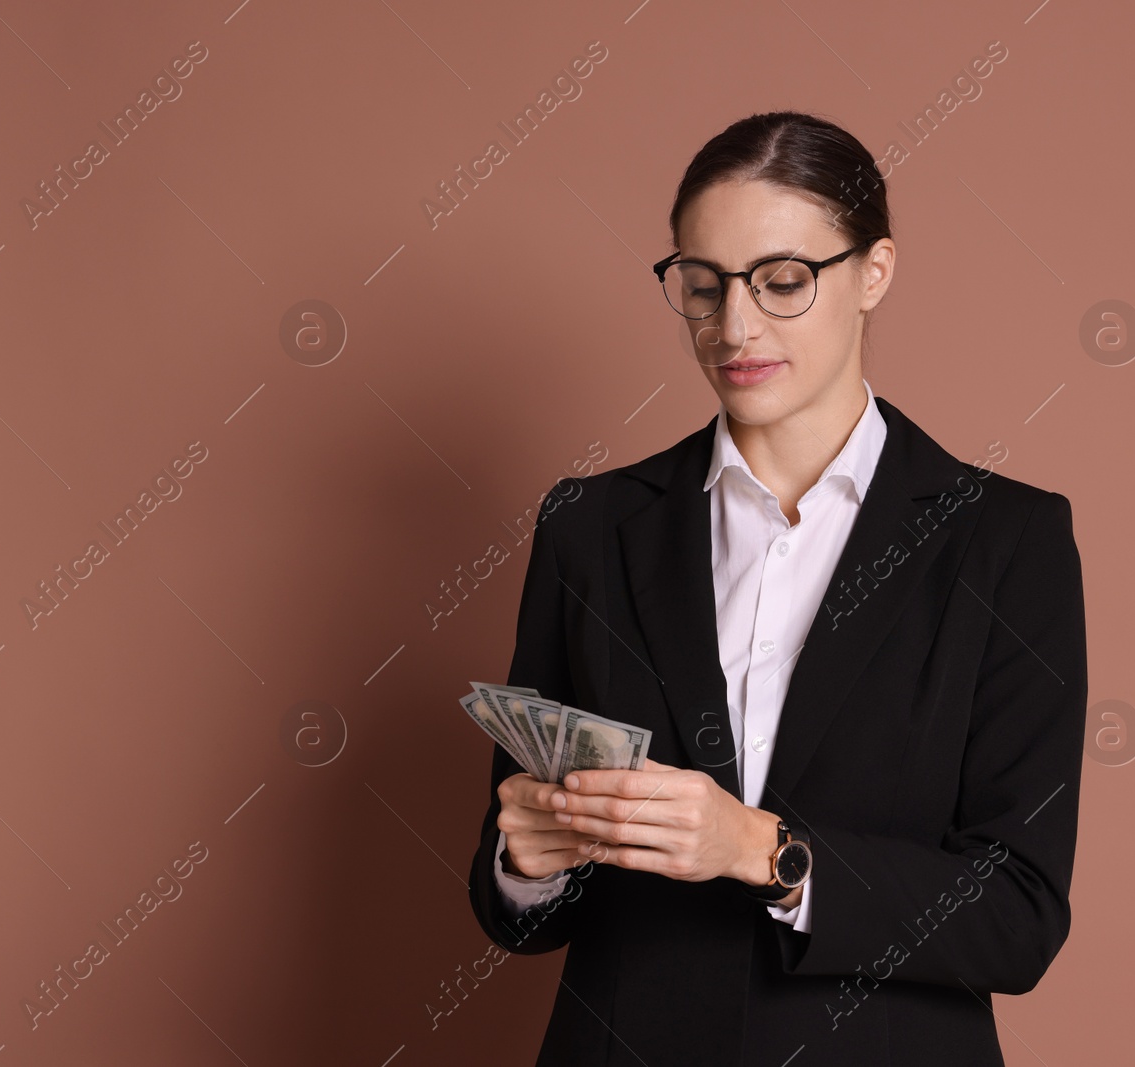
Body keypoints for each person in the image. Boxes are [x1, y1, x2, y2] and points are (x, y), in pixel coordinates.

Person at [465, 111, 1088, 1066]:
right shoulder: (588, 528)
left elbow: (1017, 917)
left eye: (783, 282)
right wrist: (525, 866)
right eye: (703, 286)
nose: (734, 326)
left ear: (874, 270)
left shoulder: (1006, 540)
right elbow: (515, 914)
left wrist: (760, 849)